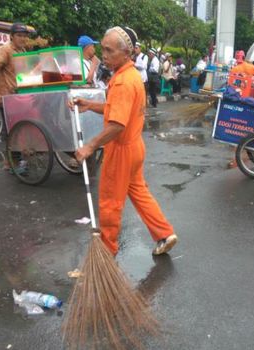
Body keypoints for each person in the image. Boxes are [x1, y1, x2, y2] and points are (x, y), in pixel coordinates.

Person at [71, 26, 178, 256]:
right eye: (103, 50)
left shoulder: (121, 82)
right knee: (140, 193)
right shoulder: (131, 76)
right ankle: (164, 233)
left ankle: (107, 250)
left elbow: (117, 125)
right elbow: (115, 110)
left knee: (110, 202)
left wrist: (90, 146)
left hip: (120, 150)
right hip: (134, 147)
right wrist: (89, 105)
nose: (105, 56)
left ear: (126, 54)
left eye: (110, 51)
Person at [0, 23, 30, 106]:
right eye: (19, 35)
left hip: (20, 97)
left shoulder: (23, 51)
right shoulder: (5, 49)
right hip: (6, 99)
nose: (22, 38)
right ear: (12, 36)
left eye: (24, 36)